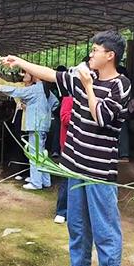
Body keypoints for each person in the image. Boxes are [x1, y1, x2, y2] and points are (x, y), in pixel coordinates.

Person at [0, 30, 131, 266]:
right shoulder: (83, 76)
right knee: (77, 222)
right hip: (74, 166)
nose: (91, 54)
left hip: (99, 171)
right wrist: (20, 62)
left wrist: (89, 86)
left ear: (110, 55)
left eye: (96, 50)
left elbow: (102, 118)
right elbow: (51, 74)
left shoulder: (120, 85)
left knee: (104, 227)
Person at [0, 72, 58, 190]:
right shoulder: (46, 90)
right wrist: (44, 110)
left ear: (37, 76)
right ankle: (45, 180)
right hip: (43, 125)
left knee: (34, 154)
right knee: (41, 154)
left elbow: (17, 92)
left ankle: (36, 183)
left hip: (35, 125)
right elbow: (55, 103)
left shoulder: (36, 89)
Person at [54, 74, 74, 224]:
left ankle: (76, 212)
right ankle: (62, 211)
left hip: (84, 147)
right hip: (68, 146)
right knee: (67, 179)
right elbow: (65, 118)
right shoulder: (68, 99)